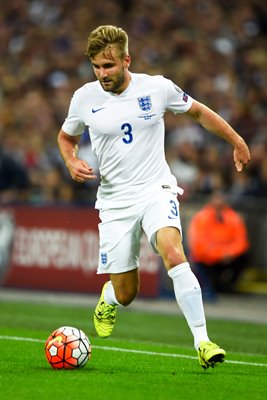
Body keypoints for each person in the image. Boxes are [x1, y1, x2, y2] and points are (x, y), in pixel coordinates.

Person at [57, 25, 251, 370]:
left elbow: (199, 112)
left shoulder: (158, 88)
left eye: (109, 66)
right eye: (97, 67)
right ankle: (111, 297)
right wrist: (71, 160)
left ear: (126, 60)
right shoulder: (84, 98)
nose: (102, 74)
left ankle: (203, 341)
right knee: (127, 292)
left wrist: (236, 141)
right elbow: (66, 137)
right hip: (115, 201)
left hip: (155, 189)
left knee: (172, 251)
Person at [187, 191, 250, 301]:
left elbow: (241, 242)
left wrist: (229, 253)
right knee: (198, 262)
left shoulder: (233, 218)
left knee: (244, 258)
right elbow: (198, 245)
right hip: (207, 260)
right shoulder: (201, 218)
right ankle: (212, 286)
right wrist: (220, 254)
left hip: (227, 258)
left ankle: (226, 286)